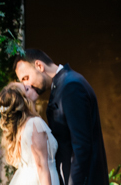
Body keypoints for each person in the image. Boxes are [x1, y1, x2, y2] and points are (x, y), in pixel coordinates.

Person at [13, 49, 109, 185]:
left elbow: (81, 147)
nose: (27, 85)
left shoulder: (71, 86)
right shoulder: (63, 85)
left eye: (26, 78)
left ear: (39, 66)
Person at [0, 82, 59, 185]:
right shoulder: (34, 124)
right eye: (26, 89)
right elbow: (41, 166)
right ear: (24, 100)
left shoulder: (23, 126)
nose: (30, 86)